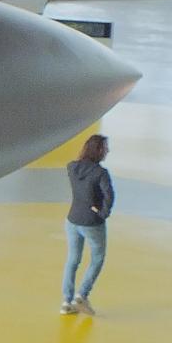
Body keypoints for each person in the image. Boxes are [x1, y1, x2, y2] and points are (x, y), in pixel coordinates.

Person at [62, 133, 115, 315]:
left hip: (72, 220)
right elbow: (109, 196)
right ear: (98, 150)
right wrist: (102, 213)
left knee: (72, 260)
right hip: (92, 223)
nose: (107, 151)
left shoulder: (72, 167)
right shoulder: (101, 173)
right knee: (97, 259)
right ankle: (82, 295)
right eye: (105, 148)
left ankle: (66, 302)